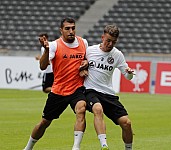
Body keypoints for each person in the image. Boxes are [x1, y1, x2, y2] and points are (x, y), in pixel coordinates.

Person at [23, 17, 88, 150]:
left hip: (77, 88)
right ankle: (28, 147)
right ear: (61, 30)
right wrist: (46, 50)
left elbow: (87, 60)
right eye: (67, 28)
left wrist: (86, 66)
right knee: (44, 123)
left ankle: (76, 147)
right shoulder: (54, 45)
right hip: (59, 90)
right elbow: (42, 66)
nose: (71, 31)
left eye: (73, 28)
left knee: (81, 109)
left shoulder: (83, 43)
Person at [81, 25, 134, 150]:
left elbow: (127, 76)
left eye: (113, 42)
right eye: (108, 40)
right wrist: (82, 69)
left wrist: (129, 73)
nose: (110, 44)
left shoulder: (117, 55)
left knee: (126, 123)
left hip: (108, 93)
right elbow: (79, 65)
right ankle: (104, 145)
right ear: (102, 37)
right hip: (91, 90)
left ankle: (129, 148)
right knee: (98, 109)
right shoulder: (90, 50)